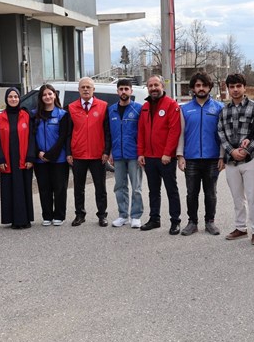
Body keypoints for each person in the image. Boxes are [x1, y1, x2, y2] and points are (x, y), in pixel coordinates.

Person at [217, 73, 254, 245]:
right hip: (231, 161)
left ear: (244, 87)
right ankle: (240, 228)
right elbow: (221, 133)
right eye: (232, 87)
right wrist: (231, 151)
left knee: (253, 196)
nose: (235, 90)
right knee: (237, 197)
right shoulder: (224, 111)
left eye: (238, 86)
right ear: (228, 89)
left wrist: (246, 150)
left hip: (251, 159)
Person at [176, 72, 224, 236]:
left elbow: (222, 135)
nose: (201, 88)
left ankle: (210, 221)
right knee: (191, 193)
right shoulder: (185, 109)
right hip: (191, 159)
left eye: (204, 85)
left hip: (213, 158)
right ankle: (192, 222)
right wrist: (180, 155)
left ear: (209, 87)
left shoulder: (219, 108)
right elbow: (181, 134)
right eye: (198, 85)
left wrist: (222, 156)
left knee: (211, 193)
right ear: (193, 88)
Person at [137, 75, 182, 235]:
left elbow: (174, 131)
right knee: (153, 190)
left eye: (156, 85)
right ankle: (154, 219)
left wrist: (167, 153)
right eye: (150, 86)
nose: (153, 88)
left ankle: (175, 221)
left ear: (162, 86)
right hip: (149, 157)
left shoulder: (171, 105)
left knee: (171, 190)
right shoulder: (145, 106)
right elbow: (141, 131)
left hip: (165, 158)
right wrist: (141, 153)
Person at [66, 77, 111, 227]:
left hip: (98, 155)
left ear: (93, 89)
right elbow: (68, 133)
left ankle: (102, 215)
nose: (86, 89)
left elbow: (107, 132)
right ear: (78, 90)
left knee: (100, 187)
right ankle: (80, 215)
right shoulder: (71, 107)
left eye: (88, 87)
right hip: (78, 154)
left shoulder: (103, 106)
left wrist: (106, 151)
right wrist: (69, 152)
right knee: (78, 188)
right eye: (83, 87)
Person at [31, 84, 70, 226]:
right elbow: (31, 137)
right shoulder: (34, 115)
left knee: (59, 188)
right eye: (44, 95)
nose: (47, 97)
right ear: (40, 97)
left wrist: (51, 155)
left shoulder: (63, 114)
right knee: (44, 188)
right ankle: (47, 215)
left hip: (59, 159)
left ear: (55, 95)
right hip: (40, 159)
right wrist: (38, 153)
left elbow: (63, 137)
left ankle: (59, 215)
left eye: (50, 94)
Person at [108, 78, 144, 228]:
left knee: (136, 187)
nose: (123, 91)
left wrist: (141, 153)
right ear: (117, 91)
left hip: (134, 154)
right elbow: (109, 133)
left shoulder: (138, 109)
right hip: (118, 154)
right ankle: (123, 215)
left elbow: (142, 132)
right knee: (119, 187)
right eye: (121, 89)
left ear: (131, 91)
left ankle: (136, 216)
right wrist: (110, 151)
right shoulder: (111, 110)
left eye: (126, 89)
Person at [0, 87, 35, 229]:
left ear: (19, 98)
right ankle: (13, 219)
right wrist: (0, 159)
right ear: (6, 99)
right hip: (7, 159)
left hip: (24, 159)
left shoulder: (26, 115)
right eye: (10, 97)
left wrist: (30, 157)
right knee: (9, 189)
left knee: (24, 188)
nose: (13, 99)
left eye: (16, 96)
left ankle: (25, 219)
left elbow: (32, 137)